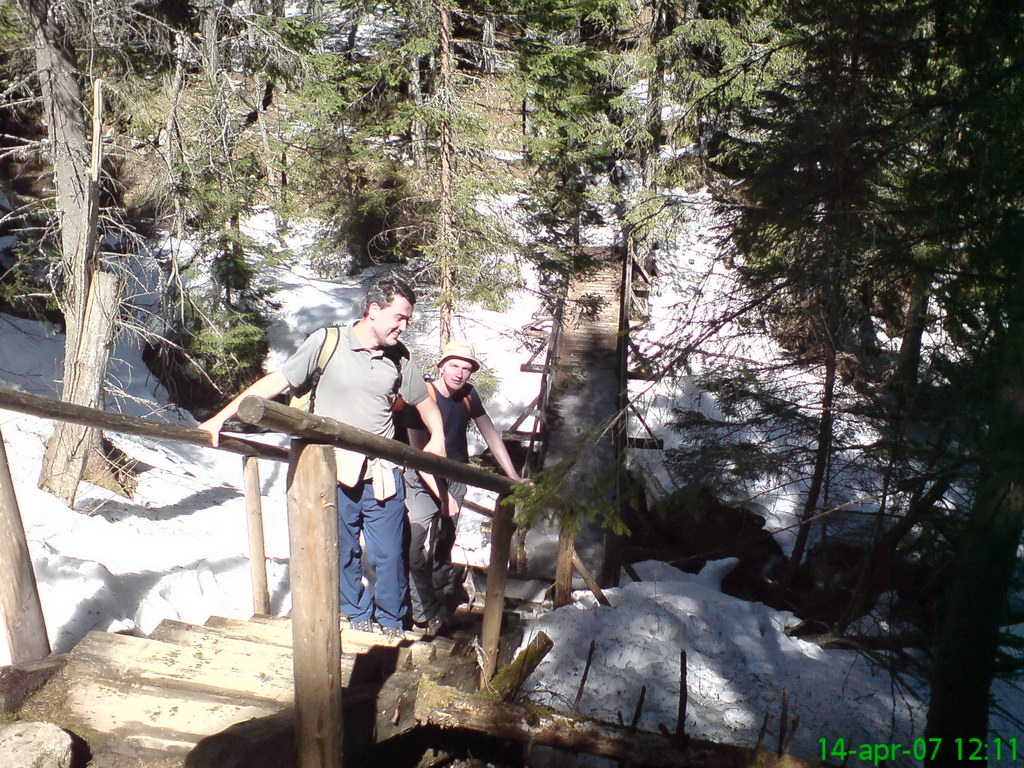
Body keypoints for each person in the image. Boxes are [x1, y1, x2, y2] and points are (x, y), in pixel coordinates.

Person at [199, 275, 445, 637]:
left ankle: (393, 624)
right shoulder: (328, 342)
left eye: (407, 319)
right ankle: (357, 618)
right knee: (343, 551)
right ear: (373, 311)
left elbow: (424, 399)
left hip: (382, 470)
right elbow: (277, 381)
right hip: (334, 468)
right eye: (399, 317)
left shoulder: (399, 357)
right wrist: (222, 417)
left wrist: (437, 436)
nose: (403, 326)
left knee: (391, 553)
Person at [402, 340, 522, 636]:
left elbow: (491, 434)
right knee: (415, 548)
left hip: (455, 475)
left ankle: (439, 609)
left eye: (466, 368)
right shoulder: (423, 395)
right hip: (421, 478)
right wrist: (442, 497)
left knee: (444, 543)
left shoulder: (468, 396)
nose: (459, 373)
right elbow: (419, 454)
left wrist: (513, 476)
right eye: (454, 365)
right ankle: (423, 612)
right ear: (441, 366)